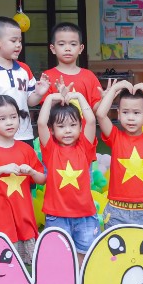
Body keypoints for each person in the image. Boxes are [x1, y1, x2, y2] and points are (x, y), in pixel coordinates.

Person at [0, 95, 46, 264]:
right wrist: (1, 170)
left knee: (26, 265)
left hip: (23, 215)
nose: (9, 122)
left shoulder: (25, 150)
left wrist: (31, 172)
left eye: (13, 117)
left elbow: (42, 179)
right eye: (2, 119)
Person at [95, 80, 143, 231]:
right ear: (118, 114)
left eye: (136, 113)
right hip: (116, 210)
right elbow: (101, 115)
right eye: (125, 112)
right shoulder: (115, 137)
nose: (130, 117)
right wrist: (114, 89)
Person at [37, 86, 99, 261]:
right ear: (52, 129)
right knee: (59, 259)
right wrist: (51, 97)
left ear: (80, 127)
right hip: (57, 216)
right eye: (61, 126)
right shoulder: (50, 149)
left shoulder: (85, 147)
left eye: (73, 125)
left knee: (84, 257)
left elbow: (91, 120)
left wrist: (78, 95)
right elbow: (41, 123)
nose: (68, 130)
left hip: (85, 215)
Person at [0, 16, 47, 143]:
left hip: (24, 135)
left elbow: (30, 101)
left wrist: (39, 94)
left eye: (20, 41)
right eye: (13, 41)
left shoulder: (24, 69)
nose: (18, 45)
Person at [40, 22, 104, 110]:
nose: (67, 49)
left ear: (80, 49)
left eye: (73, 44)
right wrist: (60, 97)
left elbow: (95, 109)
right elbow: (45, 109)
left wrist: (105, 99)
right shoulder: (47, 76)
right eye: (61, 44)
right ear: (53, 49)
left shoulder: (89, 76)